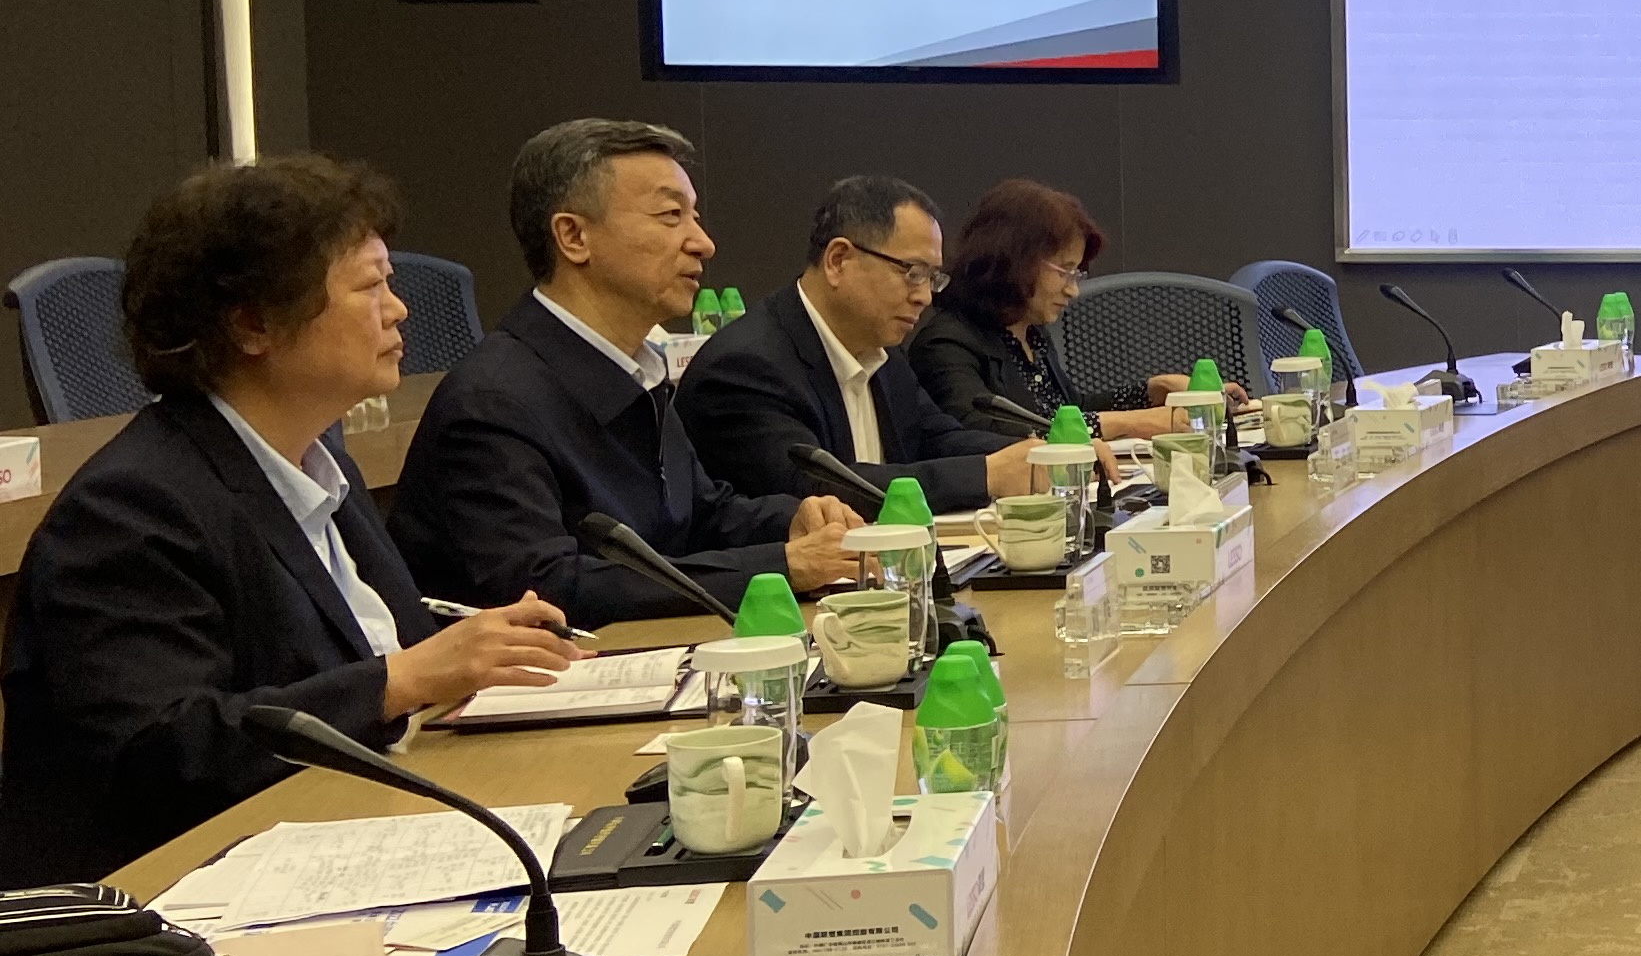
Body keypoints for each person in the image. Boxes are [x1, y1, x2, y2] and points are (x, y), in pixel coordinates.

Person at [0, 158, 580, 884]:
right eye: (370, 286)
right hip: (184, 894)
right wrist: (402, 679)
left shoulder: (316, 463)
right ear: (253, 323)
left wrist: (486, 647)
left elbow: (365, 644)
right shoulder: (132, 506)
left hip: (340, 834)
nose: (398, 310)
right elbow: (162, 754)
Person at [393, 119, 860, 626]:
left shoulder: (636, 369)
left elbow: (698, 515)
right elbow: (546, 589)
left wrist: (792, 521)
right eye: (670, 216)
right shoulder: (492, 402)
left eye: (694, 217)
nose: (703, 243)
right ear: (573, 236)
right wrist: (780, 566)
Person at [678, 174, 1045, 512]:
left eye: (932, 278)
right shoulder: (745, 367)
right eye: (913, 273)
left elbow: (936, 437)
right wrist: (986, 475)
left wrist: (1040, 456)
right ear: (838, 261)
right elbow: (816, 490)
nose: (924, 297)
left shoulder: (883, 352)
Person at [907, 178, 1183, 441]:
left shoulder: (1029, 333)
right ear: (1015, 261)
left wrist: (1148, 392)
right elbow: (981, 429)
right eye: (1064, 271)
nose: (1073, 290)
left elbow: (1070, 410)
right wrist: (1130, 423)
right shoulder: (946, 344)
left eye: (1076, 274)